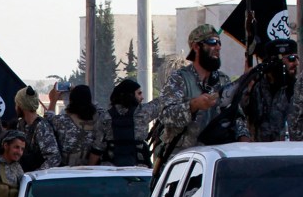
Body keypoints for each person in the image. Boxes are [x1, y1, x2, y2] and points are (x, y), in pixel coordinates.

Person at [159, 24, 249, 158]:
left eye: (219, 43)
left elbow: (236, 116)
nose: (218, 47)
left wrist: (244, 140)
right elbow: (165, 115)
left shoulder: (223, 81)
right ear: (196, 47)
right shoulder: (179, 79)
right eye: (212, 42)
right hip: (184, 161)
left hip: (216, 159)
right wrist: (193, 105)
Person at [90, 79, 161, 167]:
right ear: (130, 95)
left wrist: (90, 170)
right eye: (139, 93)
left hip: (110, 169)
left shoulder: (105, 117)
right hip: (139, 169)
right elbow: (164, 101)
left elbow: (97, 148)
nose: (142, 97)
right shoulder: (144, 112)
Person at [249, 39, 298, 142]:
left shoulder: (298, 89)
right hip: (262, 153)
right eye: (291, 59)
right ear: (275, 61)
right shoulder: (256, 88)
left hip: (292, 153)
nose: (296, 63)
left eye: (297, 58)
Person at [44, 84, 103, 166]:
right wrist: (82, 94)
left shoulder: (62, 121)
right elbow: (100, 109)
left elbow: (46, 124)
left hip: (67, 171)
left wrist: (53, 100)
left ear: (71, 100)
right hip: (90, 170)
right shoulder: (98, 120)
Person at [14, 86, 60, 172]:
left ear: (22, 106)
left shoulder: (41, 127)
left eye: (17, 104)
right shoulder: (21, 125)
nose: (15, 107)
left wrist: (36, 174)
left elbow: (54, 158)